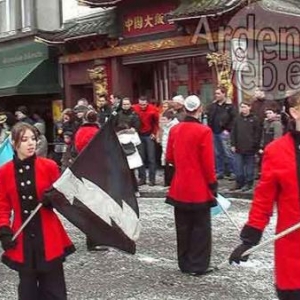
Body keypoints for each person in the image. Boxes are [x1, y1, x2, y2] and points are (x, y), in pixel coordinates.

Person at [229, 91, 300, 300]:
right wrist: (249, 239)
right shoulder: (277, 151)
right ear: (295, 112)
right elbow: (263, 200)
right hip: (293, 246)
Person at [0, 122, 75, 300]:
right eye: (24, 139)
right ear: (14, 144)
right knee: (27, 291)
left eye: (33, 138)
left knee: (54, 290)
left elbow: (64, 198)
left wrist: (53, 200)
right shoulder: (4, 172)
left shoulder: (48, 166)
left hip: (49, 236)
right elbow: (2, 205)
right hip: (23, 239)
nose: (31, 143)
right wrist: (3, 229)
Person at [165, 95, 217, 275]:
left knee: (183, 226)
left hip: (179, 186)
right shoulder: (204, 131)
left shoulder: (175, 129)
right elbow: (208, 163)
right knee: (201, 228)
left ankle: (184, 263)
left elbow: (169, 158)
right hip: (198, 187)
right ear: (199, 109)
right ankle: (198, 264)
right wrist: (212, 183)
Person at [207, 87, 236, 180]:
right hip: (214, 131)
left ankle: (232, 171)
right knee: (217, 153)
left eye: (219, 93)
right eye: (216, 93)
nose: (217, 95)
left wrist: (228, 129)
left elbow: (233, 119)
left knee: (228, 152)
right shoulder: (213, 106)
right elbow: (209, 116)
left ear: (224, 94)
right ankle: (220, 171)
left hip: (224, 132)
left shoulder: (229, 106)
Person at [230, 101, 260, 191]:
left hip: (250, 148)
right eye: (242, 107)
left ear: (249, 107)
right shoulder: (237, 119)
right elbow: (233, 132)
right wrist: (233, 144)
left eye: (245, 107)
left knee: (249, 167)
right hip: (238, 147)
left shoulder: (254, 119)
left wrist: (255, 145)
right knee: (238, 167)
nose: (243, 109)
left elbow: (257, 134)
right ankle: (239, 182)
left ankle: (249, 183)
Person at [133, 96, 159, 186]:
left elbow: (157, 122)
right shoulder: (134, 108)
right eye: (140, 105)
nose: (142, 106)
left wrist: (154, 133)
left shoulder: (153, 109)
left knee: (151, 158)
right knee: (140, 158)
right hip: (139, 135)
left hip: (149, 134)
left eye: (144, 105)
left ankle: (152, 179)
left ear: (147, 103)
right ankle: (142, 178)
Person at [115, 122, 143, 197]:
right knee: (132, 175)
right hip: (133, 158)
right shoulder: (133, 134)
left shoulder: (117, 136)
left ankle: (124, 191)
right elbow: (138, 143)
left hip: (122, 158)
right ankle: (136, 191)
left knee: (122, 176)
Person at [161, 109, 179, 186]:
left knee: (172, 167)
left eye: (164, 119)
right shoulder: (165, 126)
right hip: (165, 148)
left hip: (172, 149)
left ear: (170, 119)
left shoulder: (175, 127)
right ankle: (167, 181)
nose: (162, 121)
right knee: (166, 166)